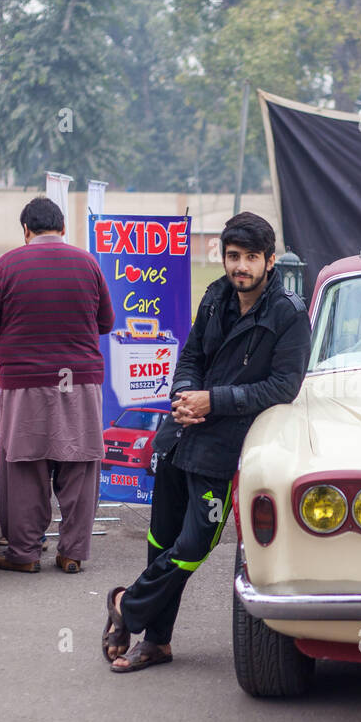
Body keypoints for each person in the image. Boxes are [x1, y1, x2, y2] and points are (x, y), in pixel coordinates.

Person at [104, 211, 312, 672]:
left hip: (226, 450)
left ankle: (125, 604)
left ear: (270, 261)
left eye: (251, 258)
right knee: (161, 542)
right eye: (233, 256)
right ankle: (156, 643)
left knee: (194, 546)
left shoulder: (289, 315)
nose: (241, 267)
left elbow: (283, 388)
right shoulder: (216, 297)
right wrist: (183, 397)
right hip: (179, 438)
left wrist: (211, 402)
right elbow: (191, 355)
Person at [0, 196, 114, 574]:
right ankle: (72, 554)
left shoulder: (8, 265)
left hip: (25, 382)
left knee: (24, 469)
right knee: (79, 467)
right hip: (79, 381)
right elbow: (106, 322)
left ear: (26, 231)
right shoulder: (87, 263)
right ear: (63, 229)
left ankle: (25, 554)